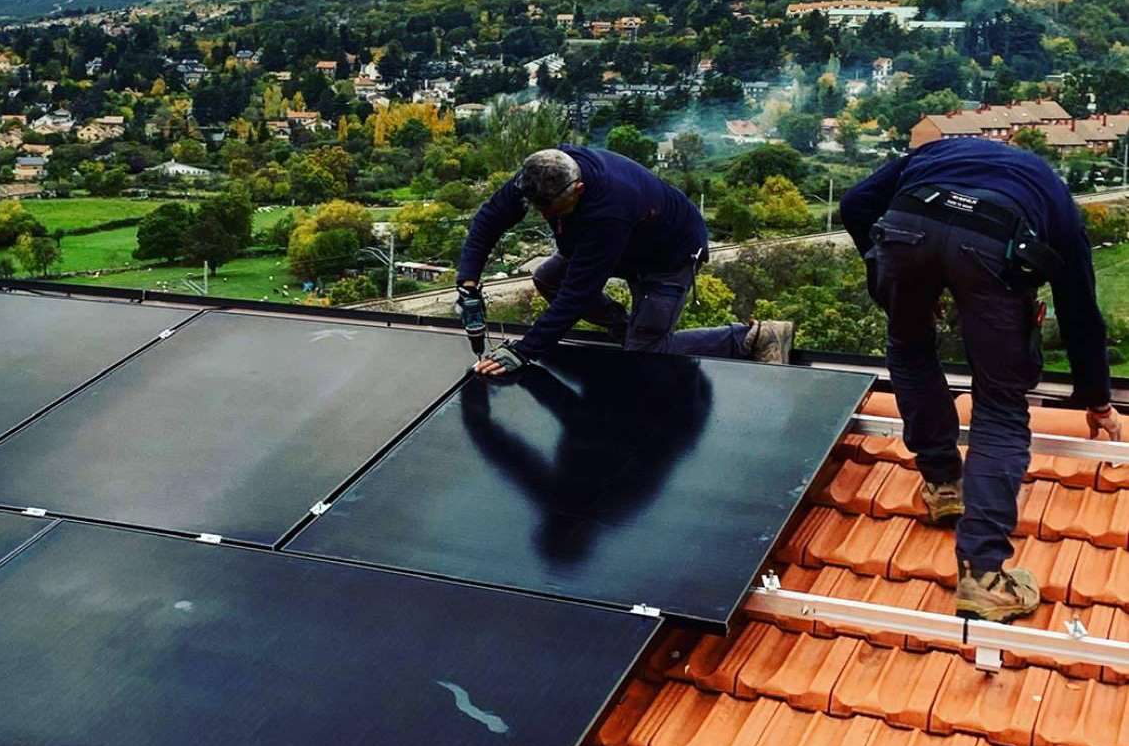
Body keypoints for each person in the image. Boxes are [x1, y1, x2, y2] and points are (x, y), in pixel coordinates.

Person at [840, 137, 1123, 623]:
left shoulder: (935, 152)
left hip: (908, 227)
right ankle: (984, 576)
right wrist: (1097, 399)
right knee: (999, 403)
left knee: (909, 348)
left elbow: (855, 204)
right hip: (996, 244)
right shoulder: (1053, 195)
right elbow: (1080, 312)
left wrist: (888, 280)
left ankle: (944, 485)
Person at [456, 146, 795, 378]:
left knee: (643, 355)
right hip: (627, 245)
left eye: (552, 210)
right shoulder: (542, 173)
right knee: (547, 278)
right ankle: (628, 330)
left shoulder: (609, 209)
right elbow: (489, 219)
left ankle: (751, 337)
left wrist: (523, 351)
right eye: (539, 208)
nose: (545, 215)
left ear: (578, 188)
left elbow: (577, 294)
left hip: (667, 257)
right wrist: (468, 282)